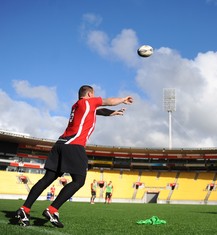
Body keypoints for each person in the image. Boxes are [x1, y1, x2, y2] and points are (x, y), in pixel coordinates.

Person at [15, 85, 133, 228]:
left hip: (60, 143)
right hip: (74, 144)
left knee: (47, 178)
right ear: (90, 94)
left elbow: (98, 110)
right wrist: (122, 99)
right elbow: (108, 101)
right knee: (79, 180)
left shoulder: (77, 105)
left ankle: (25, 209)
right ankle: (52, 210)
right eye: (94, 95)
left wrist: (112, 113)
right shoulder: (90, 101)